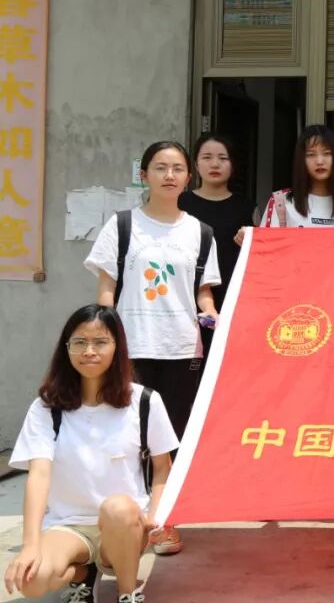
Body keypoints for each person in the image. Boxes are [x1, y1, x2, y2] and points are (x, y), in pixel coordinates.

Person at [85, 141, 221, 557]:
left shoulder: (201, 233)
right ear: (144, 175)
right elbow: (106, 289)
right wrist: (104, 340)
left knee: (171, 438)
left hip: (182, 349)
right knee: (125, 436)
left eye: (177, 168)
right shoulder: (122, 225)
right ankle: (123, 521)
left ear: (188, 178)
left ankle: (164, 522)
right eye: (160, 167)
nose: (169, 175)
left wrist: (213, 316)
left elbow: (203, 293)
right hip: (132, 346)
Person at [4, 305, 180, 603]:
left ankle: (127, 593)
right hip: (68, 525)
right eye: (79, 342)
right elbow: (39, 475)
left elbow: (163, 467)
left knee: (117, 508)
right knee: (31, 582)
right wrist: (30, 545)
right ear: (66, 348)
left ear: (117, 347)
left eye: (100, 342)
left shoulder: (144, 401)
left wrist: (155, 516)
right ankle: (83, 574)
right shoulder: (46, 408)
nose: (89, 351)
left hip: (123, 525)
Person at [178, 133, 256, 352]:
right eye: (207, 157)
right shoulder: (180, 203)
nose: (215, 164)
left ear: (233, 165)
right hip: (186, 294)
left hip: (233, 294)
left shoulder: (247, 207)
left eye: (223, 158)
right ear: (195, 164)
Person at [260, 125, 334, 228]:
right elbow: (267, 239)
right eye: (311, 154)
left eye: (327, 153)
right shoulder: (281, 202)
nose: (319, 161)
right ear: (301, 160)